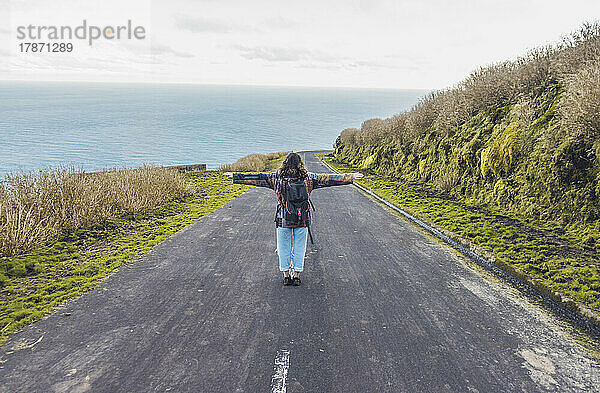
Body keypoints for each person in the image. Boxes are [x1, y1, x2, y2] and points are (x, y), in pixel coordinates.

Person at [224, 152, 363, 286]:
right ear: (300, 164)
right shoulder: (309, 178)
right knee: (299, 247)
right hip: (302, 218)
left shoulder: (277, 178)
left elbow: (258, 177)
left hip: (283, 218)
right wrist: (350, 177)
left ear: (285, 163)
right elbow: (329, 179)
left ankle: (286, 276)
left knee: (283, 247)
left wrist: (235, 176)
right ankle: (296, 276)